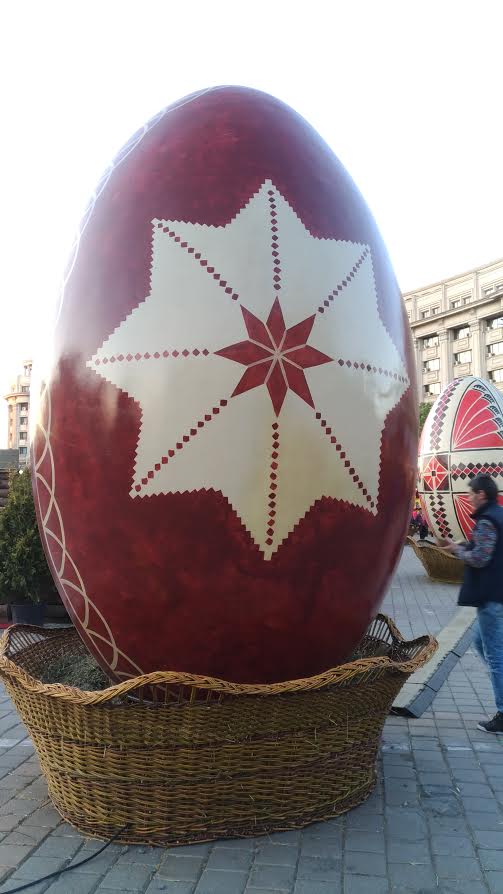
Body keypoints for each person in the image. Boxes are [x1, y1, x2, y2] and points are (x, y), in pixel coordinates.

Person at [439, 473, 503, 733]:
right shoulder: (498, 516)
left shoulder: (488, 520)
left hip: (491, 598)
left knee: (496, 656)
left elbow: (479, 558)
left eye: (471, 493)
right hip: (495, 596)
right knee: (480, 642)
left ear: (482, 495)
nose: (468, 497)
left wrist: (456, 550)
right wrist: (462, 545)